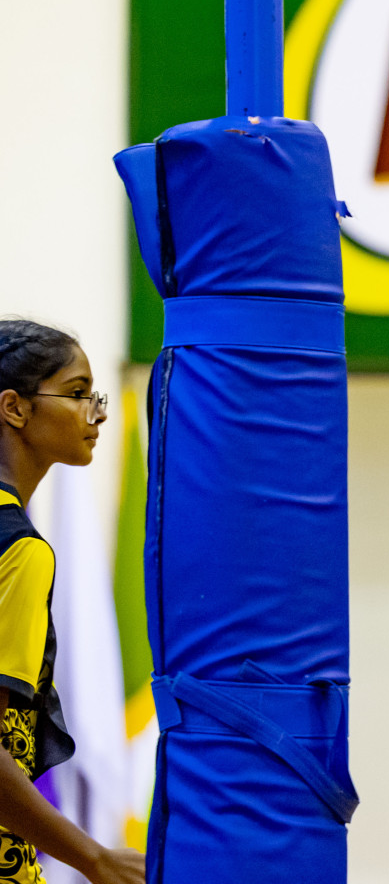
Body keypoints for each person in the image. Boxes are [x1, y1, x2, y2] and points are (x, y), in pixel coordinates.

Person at [0, 320, 145, 884]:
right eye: (79, 393)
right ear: (14, 408)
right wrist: (95, 857)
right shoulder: (19, 549)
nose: (98, 413)